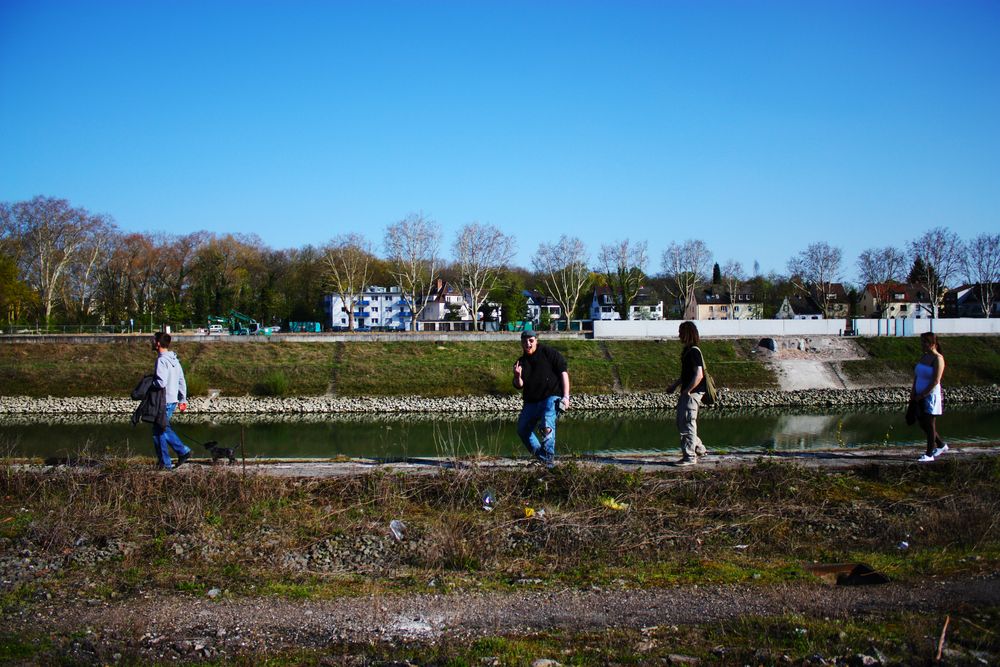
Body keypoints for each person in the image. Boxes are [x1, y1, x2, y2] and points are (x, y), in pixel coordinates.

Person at [513, 330, 570, 468]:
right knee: (522, 430)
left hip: (551, 397)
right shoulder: (521, 362)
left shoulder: (548, 353)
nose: (528, 344)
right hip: (531, 401)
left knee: (546, 425)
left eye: (531, 340)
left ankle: (548, 462)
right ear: (521, 343)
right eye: (525, 341)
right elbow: (519, 385)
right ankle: (543, 458)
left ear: (536, 340)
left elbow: (563, 372)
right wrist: (517, 376)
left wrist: (566, 396)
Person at [666, 321, 709, 466]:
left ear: (687, 333)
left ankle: (689, 457)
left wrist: (688, 390)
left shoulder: (694, 351)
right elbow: (686, 375)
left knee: (688, 423)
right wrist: (674, 386)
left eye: (681, 332)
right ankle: (699, 448)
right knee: (681, 422)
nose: (679, 335)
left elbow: (699, 375)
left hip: (693, 393)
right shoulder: (688, 351)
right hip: (688, 392)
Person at [150, 331, 193, 470]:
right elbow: (181, 380)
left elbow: (161, 382)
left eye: (152, 340)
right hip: (172, 400)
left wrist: (150, 384)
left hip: (164, 401)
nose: (151, 343)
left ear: (157, 343)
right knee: (163, 428)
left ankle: (166, 462)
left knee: (158, 432)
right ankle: (181, 452)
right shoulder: (174, 359)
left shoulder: (161, 360)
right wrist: (182, 399)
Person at [911, 332, 947, 463]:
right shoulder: (924, 357)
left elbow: (935, 381)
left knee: (930, 424)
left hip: (930, 396)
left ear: (932, 343)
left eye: (924, 342)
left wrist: (923, 394)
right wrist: (913, 392)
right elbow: (917, 376)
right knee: (922, 423)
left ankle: (929, 453)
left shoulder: (938, 359)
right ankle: (941, 445)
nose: (922, 345)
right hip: (919, 395)